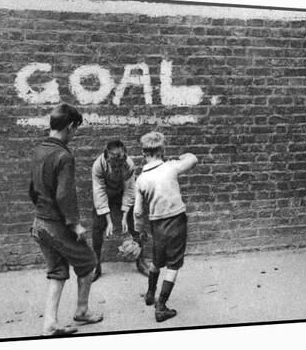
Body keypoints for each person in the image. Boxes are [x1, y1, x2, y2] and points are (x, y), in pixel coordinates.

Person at [29, 104, 103, 336]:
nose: (75, 134)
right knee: (89, 262)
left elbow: (32, 189)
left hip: (39, 223)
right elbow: (64, 195)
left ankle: (50, 323)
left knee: (58, 271)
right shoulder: (63, 155)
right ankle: (81, 310)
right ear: (70, 127)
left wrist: (43, 210)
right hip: (56, 225)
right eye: (76, 129)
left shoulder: (39, 150)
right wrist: (74, 224)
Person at [133, 131, 198, 323]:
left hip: (156, 224)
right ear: (162, 150)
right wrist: (180, 157)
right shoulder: (171, 167)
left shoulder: (141, 179)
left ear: (143, 152)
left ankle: (150, 293)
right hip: (176, 221)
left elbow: (137, 212)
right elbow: (193, 159)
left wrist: (140, 229)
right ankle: (161, 306)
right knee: (174, 264)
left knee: (156, 260)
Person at [91, 140, 149, 282]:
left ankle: (140, 261)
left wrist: (124, 216)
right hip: (105, 195)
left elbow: (130, 190)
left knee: (135, 224)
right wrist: (109, 220)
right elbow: (99, 192)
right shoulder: (98, 165)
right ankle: (96, 265)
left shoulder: (128, 164)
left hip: (122, 193)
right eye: (113, 164)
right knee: (97, 228)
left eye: (120, 163)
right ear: (106, 157)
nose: (117, 167)